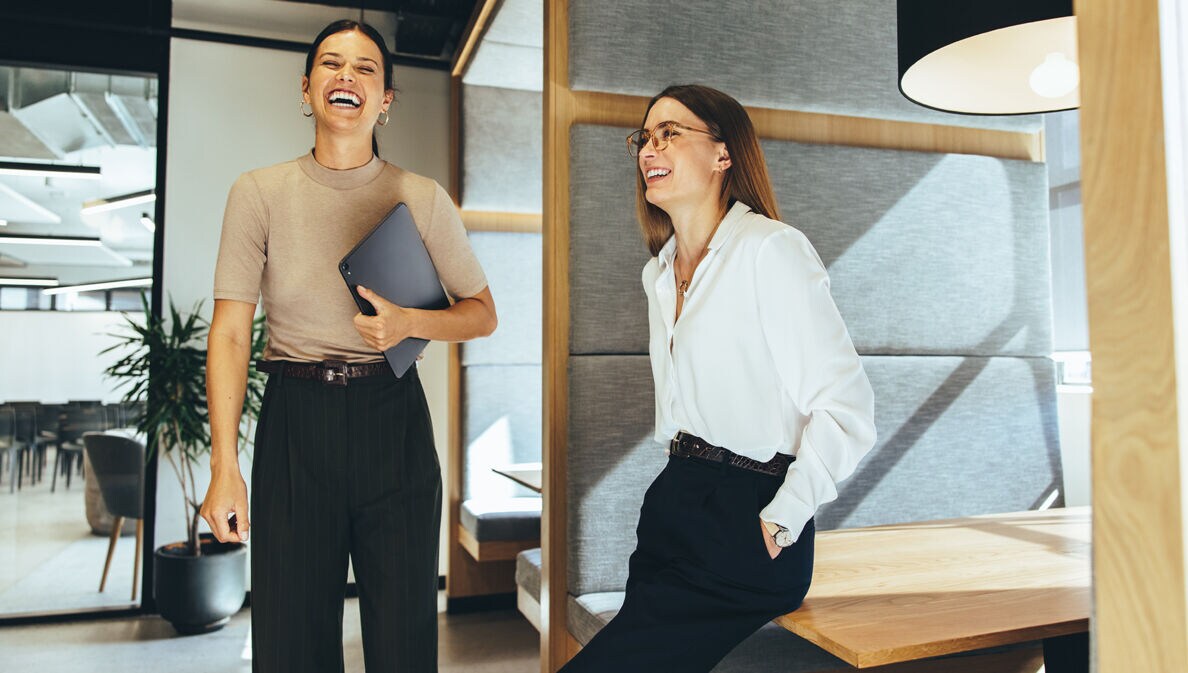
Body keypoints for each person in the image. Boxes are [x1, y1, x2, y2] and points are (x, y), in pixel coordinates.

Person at [199, 20, 496, 673]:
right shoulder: (258, 192)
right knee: (290, 641)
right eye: (332, 64)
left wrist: (410, 324)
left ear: (386, 98)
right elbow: (228, 331)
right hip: (295, 424)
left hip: (394, 424)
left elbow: (482, 314)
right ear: (306, 90)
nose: (347, 76)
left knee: (403, 642)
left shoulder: (420, 197)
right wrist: (225, 464)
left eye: (365, 68)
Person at [559, 84, 876, 672]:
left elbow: (847, 408)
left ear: (723, 155)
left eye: (671, 133)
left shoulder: (771, 250)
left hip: (749, 511)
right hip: (675, 497)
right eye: (645, 137)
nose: (649, 148)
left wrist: (781, 519)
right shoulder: (658, 274)